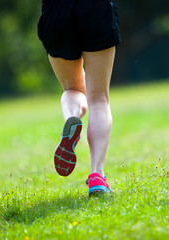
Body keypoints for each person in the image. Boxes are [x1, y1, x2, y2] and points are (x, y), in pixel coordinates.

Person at [37, 0, 121, 196]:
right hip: (95, 9)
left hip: (56, 11)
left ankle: (71, 117)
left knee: (72, 88)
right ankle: (97, 176)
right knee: (99, 98)